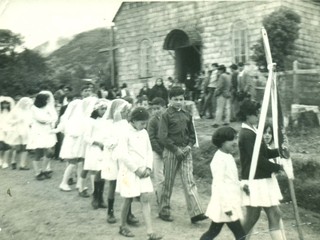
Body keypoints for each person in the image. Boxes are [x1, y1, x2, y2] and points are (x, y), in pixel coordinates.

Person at [158, 86, 207, 223]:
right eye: (176, 99)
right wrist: (175, 149)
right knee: (168, 182)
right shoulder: (166, 115)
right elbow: (163, 136)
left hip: (185, 152)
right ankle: (164, 210)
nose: (179, 102)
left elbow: (192, 135)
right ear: (170, 100)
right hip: (171, 152)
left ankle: (196, 212)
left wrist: (188, 147)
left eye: (181, 99)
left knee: (189, 181)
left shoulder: (187, 114)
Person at [238, 99, 285, 240]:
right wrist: (277, 167)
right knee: (253, 217)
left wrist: (280, 151)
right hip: (256, 180)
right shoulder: (247, 134)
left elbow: (264, 153)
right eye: (256, 113)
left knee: (274, 214)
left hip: (262, 179)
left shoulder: (254, 131)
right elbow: (257, 160)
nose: (258, 115)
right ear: (247, 115)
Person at [117, 107, 163, 240]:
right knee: (128, 199)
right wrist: (135, 169)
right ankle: (123, 225)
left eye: (145, 123)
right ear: (134, 120)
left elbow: (149, 151)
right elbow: (123, 154)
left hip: (144, 172)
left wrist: (148, 167)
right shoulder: (125, 132)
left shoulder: (144, 133)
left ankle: (150, 232)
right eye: (142, 123)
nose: (144, 126)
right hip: (130, 172)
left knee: (145, 198)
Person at [200, 127, 246, 240]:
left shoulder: (227, 156)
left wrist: (242, 185)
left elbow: (231, 179)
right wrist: (227, 207)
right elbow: (218, 185)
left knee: (213, 232)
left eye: (235, 138)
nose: (235, 142)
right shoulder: (219, 160)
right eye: (231, 140)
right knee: (240, 235)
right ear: (222, 142)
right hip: (225, 205)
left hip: (228, 202)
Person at [101, 99, 138, 224]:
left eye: (127, 110)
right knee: (112, 183)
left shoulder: (125, 124)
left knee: (127, 182)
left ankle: (128, 213)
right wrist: (117, 142)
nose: (126, 112)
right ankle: (110, 211)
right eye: (124, 110)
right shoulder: (108, 124)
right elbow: (106, 141)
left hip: (123, 157)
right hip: (112, 157)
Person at [82, 99, 109, 206]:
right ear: (96, 109)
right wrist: (98, 143)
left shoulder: (106, 121)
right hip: (94, 149)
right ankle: (95, 197)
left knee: (102, 173)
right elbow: (86, 137)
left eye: (105, 109)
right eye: (102, 109)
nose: (104, 111)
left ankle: (100, 198)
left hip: (105, 149)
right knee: (98, 172)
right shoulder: (90, 121)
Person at [26, 91, 58, 180]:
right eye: (46, 100)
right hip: (38, 131)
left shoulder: (48, 107)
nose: (48, 101)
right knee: (38, 153)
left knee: (50, 152)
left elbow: (55, 116)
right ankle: (37, 172)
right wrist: (50, 119)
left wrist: (50, 120)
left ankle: (44, 170)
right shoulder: (33, 108)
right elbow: (41, 119)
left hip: (47, 131)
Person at [147, 97, 167, 205]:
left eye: (158, 108)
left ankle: (162, 195)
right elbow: (151, 138)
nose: (155, 111)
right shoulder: (152, 121)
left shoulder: (167, 119)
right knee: (159, 177)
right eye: (153, 109)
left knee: (166, 176)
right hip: (156, 151)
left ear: (164, 107)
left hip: (167, 151)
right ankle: (161, 201)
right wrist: (160, 151)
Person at [6, 97, 33, 170]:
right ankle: (13, 161)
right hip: (17, 130)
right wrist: (17, 121)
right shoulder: (15, 110)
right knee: (16, 148)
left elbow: (30, 121)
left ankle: (22, 164)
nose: (26, 105)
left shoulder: (29, 111)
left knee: (25, 148)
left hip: (26, 131)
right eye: (24, 103)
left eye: (27, 104)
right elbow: (8, 121)